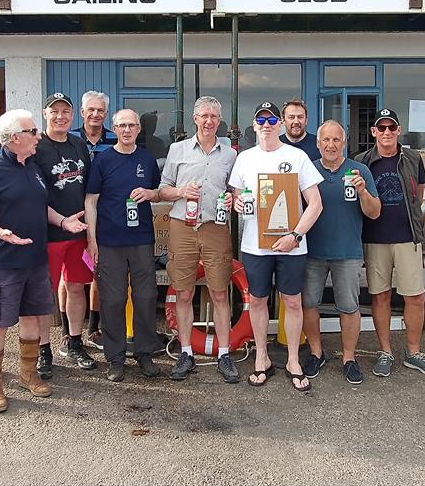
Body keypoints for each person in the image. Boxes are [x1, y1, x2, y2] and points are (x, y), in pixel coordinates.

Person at [0, 109, 88, 413]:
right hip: (4, 260)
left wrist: (64, 223)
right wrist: (0, 232)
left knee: (33, 318)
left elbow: (43, 206)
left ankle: (28, 374)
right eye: (33, 131)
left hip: (35, 258)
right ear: (14, 138)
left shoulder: (32, 167)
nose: (38, 136)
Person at [228, 102, 323, 391]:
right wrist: (237, 201)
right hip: (255, 246)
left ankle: (294, 359)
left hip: (291, 245)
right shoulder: (244, 158)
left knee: (292, 301)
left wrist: (295, 235)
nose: (266, 124)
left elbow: (316, 204)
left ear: (280, 124)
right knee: (257, 300)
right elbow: (235, 195)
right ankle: (262, 356)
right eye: (261, 119)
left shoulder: (297, 157)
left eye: (272, 119)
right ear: (254, 125)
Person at [355, 108, 425, 379]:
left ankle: (413, 353)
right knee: (380, 296)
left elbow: (418, 196)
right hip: (375, 238)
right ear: (373, 132)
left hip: (407, 237)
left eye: (390, 128)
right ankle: (385, 351)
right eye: (380, 128)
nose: (386, 133)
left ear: (398, 130)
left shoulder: (413, 158)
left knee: (414, 296)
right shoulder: (362, 161)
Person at [158, 96, 238, 383]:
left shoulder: (230, 154)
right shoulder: (177, 150)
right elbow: (162, 190)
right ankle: (186, 352)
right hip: (183, 227)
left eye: (214, 117)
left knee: (219, 292)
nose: (209, 121)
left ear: (220, 120)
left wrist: (233, 197)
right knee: (183, 293)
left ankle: (225, 353)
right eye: (204, 116)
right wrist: (181, 192)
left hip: (215, 227)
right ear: (194, 118)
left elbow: (237, 190)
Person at [85, 109, 162, 383]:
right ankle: (115, 357)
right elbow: (91, 201)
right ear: (114, 129)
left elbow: (155, 193)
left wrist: (151, 194)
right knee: (113, 300)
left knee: (145, 297)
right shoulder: (102, 161)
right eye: (121, 126)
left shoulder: (147, 159)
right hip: (110, 241)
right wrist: (92, 240)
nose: (127, 130)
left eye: (131, 125)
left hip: (141, 240)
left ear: (139, 129)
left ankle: (144, 354)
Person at [302, 120, 380, 384]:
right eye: (326, 140)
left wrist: (362, 192)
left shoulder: (360, 170)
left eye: (336, 140)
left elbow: (374, 212)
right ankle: (316, 352)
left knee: (348, 307)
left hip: (348, 251)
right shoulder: (308, 171)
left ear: (344, 142)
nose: (331, 145)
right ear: (318, 143)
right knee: (309, 304)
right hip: (312, 251)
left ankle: (349, 357)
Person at [35, 92, 94, 377]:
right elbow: (33, 195)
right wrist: (60, 222)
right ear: (45, 113)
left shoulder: (79, 145)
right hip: (49, 234)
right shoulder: (36, 147)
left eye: (65, 111)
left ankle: (74, 342)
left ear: (73, 115)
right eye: (54, 111)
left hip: (79, 234)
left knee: (76, 288)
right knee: (45, 292)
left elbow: (90, 192)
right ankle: (43, 349)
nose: (60, 116)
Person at [73, 90, 117, 350]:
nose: (95, 114)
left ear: (106, 114)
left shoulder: (114, 138)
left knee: (98, 269)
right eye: (91, 109)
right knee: (73, 277)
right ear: (82, 112)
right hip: (71, 212)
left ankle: (94, 327)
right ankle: (70, 330)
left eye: (100, 110)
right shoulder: (70, 139)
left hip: (103, 213)